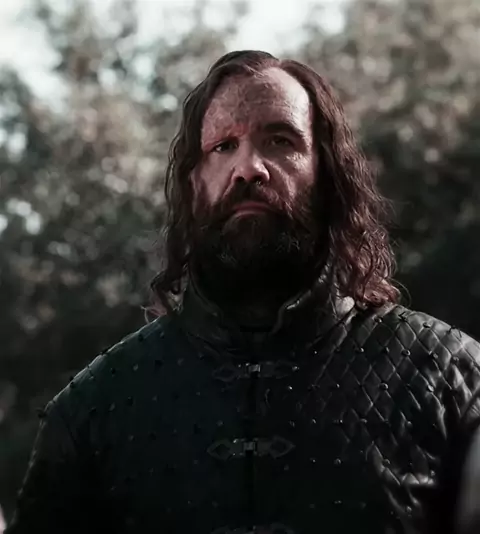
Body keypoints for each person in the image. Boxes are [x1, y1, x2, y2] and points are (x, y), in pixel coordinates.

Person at [6, 50, 480, 534]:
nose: (249, 168)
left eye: (280, 140)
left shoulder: (454, 382)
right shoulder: (94, 410)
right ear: (194, 184)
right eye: (223, 146)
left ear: (327, 172)